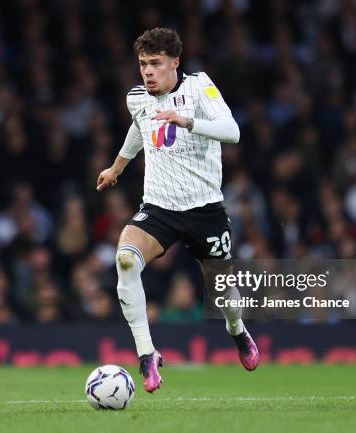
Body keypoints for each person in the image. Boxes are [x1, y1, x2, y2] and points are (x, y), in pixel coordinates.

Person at [96, 27, 259, 393]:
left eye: (155, 63)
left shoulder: (199, 86)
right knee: (125, 259)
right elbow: (140, 128)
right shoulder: (137, 98)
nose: (148, 71)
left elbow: (232, 131)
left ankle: (238, 330)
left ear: (175, 63)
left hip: (205, 210)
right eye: (142, 64)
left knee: (223, 296)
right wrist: (118, 167)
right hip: (159, 208)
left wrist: (186, 121)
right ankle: (146, 355)